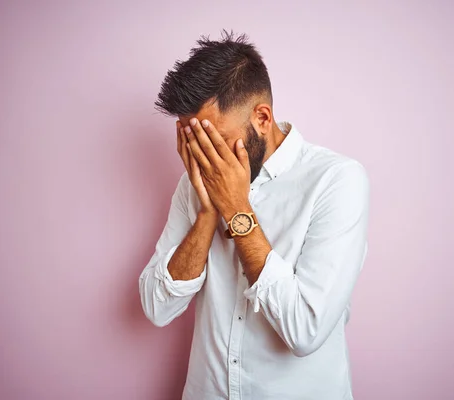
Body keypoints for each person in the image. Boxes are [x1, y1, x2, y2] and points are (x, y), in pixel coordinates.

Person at [139, 30, 369, 400]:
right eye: (193, 142)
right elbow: (157, 307)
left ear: (262, 117)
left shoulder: (336, 180)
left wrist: (236, 209)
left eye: (215, 140)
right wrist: (208, 213)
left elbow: (305, 331)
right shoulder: (195, 184)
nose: (204, 157)